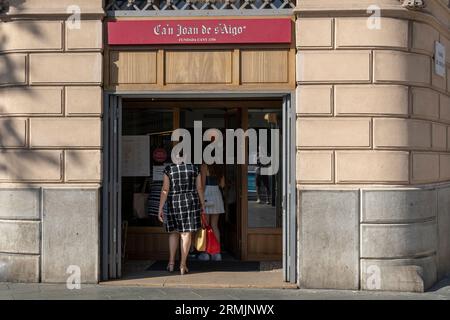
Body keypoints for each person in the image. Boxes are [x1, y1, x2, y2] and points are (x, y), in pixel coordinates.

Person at [158, 157, 206, 275]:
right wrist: (202, 203)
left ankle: (171, 263)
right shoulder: (194, 168)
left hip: (173, 201)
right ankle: (182, 265)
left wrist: (160, 208)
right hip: (190, 201)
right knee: (186, 234)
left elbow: (165, 189)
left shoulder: (169, 169)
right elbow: (199, 187)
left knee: (174, 232)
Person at [198, 163, 225, 261]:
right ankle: (217, 253)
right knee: (214, 225)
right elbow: (222, 185)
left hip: (207, 195)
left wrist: (200, 198)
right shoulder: (219, 166)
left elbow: (203, 184)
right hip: (217, 195)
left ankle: (206, 253)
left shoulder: (204, 166)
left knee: (205, 225)